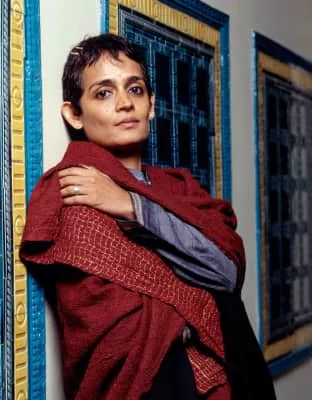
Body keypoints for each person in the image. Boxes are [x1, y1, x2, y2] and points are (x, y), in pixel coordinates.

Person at [20, 33, 276, 400]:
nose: (125, 103)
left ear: (151, 105)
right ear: (74, 114)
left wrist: (132, 207)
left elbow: (226, 273)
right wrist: (191, 287)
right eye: (103, 93)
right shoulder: (74, 194)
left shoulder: (178, 189)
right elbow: (104, 320)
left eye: (135, 89)